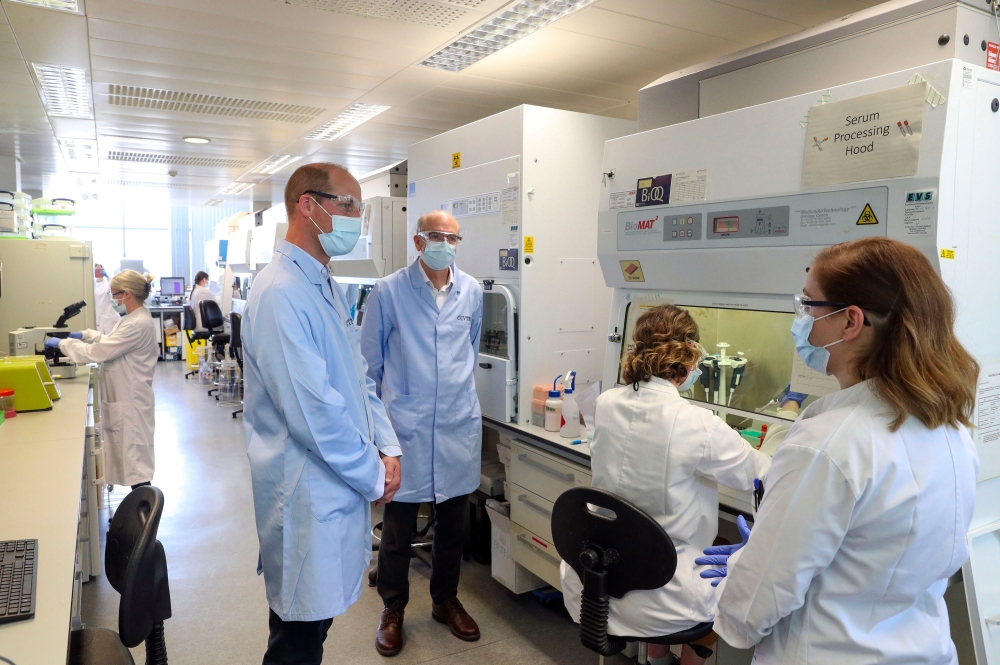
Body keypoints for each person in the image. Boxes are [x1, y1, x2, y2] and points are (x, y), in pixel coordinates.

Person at [697, 237, 979, 664]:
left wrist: (749, 566)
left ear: (850, 322)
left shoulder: (826, 444)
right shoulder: (951, 429)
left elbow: (750, 610)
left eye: (809, 304)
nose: (802, 318)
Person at [241, 162, 403, 665]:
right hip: (306, 496)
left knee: (313, 634)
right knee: (297, 645)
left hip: (333, 487)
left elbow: (358, 379)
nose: (357, 218)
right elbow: (314, 414)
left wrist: (389, 445)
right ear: (306, 206)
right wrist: (373, 474)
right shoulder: (279, 292)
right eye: (349, 205)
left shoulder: (324, 285)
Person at [560, 304, 770, 665]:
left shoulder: (606, 403)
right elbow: (760, 474)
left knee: (657, 540)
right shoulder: (698, 424)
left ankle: (658, 660)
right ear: (689, 356)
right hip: (666, 600)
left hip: (593, 584)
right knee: (725, 558)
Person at [360, 210, 484, 656]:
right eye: (436, 236)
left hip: (456, 426)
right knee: (397, 529)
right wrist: (377, 439)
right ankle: (393, 609)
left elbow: (468, 353)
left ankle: (445, 599)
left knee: (453, 526)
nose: (445, 244)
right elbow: (368, 370)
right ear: (418, 241)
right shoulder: (389, 291)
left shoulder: (471, 291)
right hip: (405, 431)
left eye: (453, 237)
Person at [47, 270, 159, 489]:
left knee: (137, 468)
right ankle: (139, 511)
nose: (112, 298)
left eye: (114, 294)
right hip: (128, 399)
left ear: (126, 294)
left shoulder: (136, 323)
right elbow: (111, 340)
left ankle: (144, 515)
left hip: (131, 403)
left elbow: (98, 352)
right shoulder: (134, 319)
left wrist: (62, 344)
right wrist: (84, 334)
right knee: (133, 462)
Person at [93, 263, 121, 335]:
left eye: (100, 270)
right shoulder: (92, 284)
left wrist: (108, 277)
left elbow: (116, 286)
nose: (98, 272)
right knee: (98, 337)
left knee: (112, 337)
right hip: (98, 314)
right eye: (96, 270)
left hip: (109, 314)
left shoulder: (107, 283)